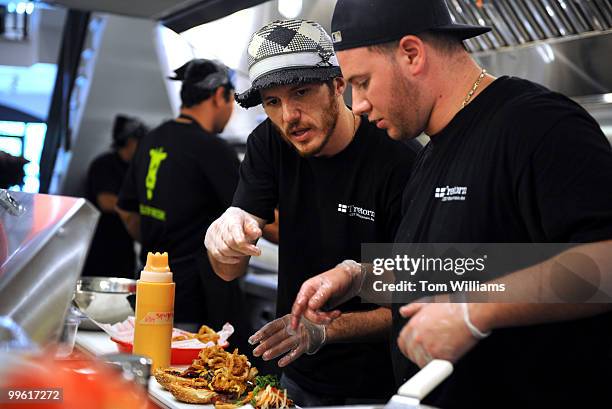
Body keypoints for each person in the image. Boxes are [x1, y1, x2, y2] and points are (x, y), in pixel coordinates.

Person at [288, 1, 612, 408]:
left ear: (412, 53)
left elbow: (605, 263)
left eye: (364, 81)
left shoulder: (538, 125)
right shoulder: (428, 154)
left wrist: (473, 311)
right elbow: (464, 263)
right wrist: (360, 277)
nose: (358, 104)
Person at [204, 19, 421, 406]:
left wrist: (327, 331)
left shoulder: (397, 162)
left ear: (338, 84)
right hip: (295, 376)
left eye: (301, 92)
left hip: (379, 387)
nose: (289, 116)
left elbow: (414, 299)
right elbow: (230, 270)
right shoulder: (269, 143)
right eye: (273, 102)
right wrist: (223, 243)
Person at [116, 59, 252, 348]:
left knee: (154, 377)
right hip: (199, 303)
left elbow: (126, 210)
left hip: (152, 293)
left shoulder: (152, 140)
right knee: (191, 379)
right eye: (232, 101)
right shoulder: (211, 149)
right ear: (219, 95)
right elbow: (257, 216)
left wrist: (161, 246)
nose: (231, 111)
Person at [82, 115, 147, 278]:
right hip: (101, 245)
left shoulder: (136, 168)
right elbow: (106, 201)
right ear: (131, 142)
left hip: (124, 246)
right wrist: (142, 209)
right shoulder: (104, 164)